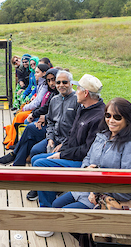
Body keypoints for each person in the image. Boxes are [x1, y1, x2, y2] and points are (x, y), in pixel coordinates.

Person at [35, 97, 131, 238]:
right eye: (108, 115)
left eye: (117, 117)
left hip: (107, 195)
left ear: (127, 119)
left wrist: (98, 183)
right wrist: (87, 169)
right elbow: (87, 158)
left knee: (65, 215)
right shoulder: (102, 136)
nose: (111, 120)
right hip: (88, 189)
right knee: (55, 204)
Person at [32, 74, 105, 220]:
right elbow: (72, 134)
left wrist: (62, 154)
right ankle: (50, 197)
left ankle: (46, 212)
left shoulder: (98, 116)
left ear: (85, 93)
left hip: (83, 162)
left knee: (42, 164)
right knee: (35, 159)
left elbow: (87, 151)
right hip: (70, 153)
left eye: (77, 88)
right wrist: (62, 146)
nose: (75, 91)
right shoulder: (84, 108)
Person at [24, 70, 79, 200]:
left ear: (71, 83)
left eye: (64, 82)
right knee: (35, 151)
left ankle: (51, 187)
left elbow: (77, 130)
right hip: (54, 138)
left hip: (67, 143)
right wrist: (50, 139)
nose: (61, 85)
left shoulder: (77, 101)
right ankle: (41, 185)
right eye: (58, 82)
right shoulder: (55, 100)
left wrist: (63, 145)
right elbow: (50, 122)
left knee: (43, 159)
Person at [0, 67, 58, 164]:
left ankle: (15, 154)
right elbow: (46, 107)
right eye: (49, 80)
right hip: (49, 125)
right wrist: (35, 115)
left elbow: (58, 116)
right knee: (29, 138)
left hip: (54, 131)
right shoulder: (53, 93)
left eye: (54, 80)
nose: (52, 83)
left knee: (30, 128)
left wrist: (44, 117)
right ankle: (17, 164)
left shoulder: (61, 97)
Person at [1, 63, 50, 149]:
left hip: (37, 111)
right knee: (19, 114)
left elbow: (38, 102)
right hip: (36, 109)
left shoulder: (44, 85)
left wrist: (25, 108)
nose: (35, 74)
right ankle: (13, 138)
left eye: (37, 72)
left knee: (20, 115)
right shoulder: (40, 83)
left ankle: (15, 141)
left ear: (44, 73)